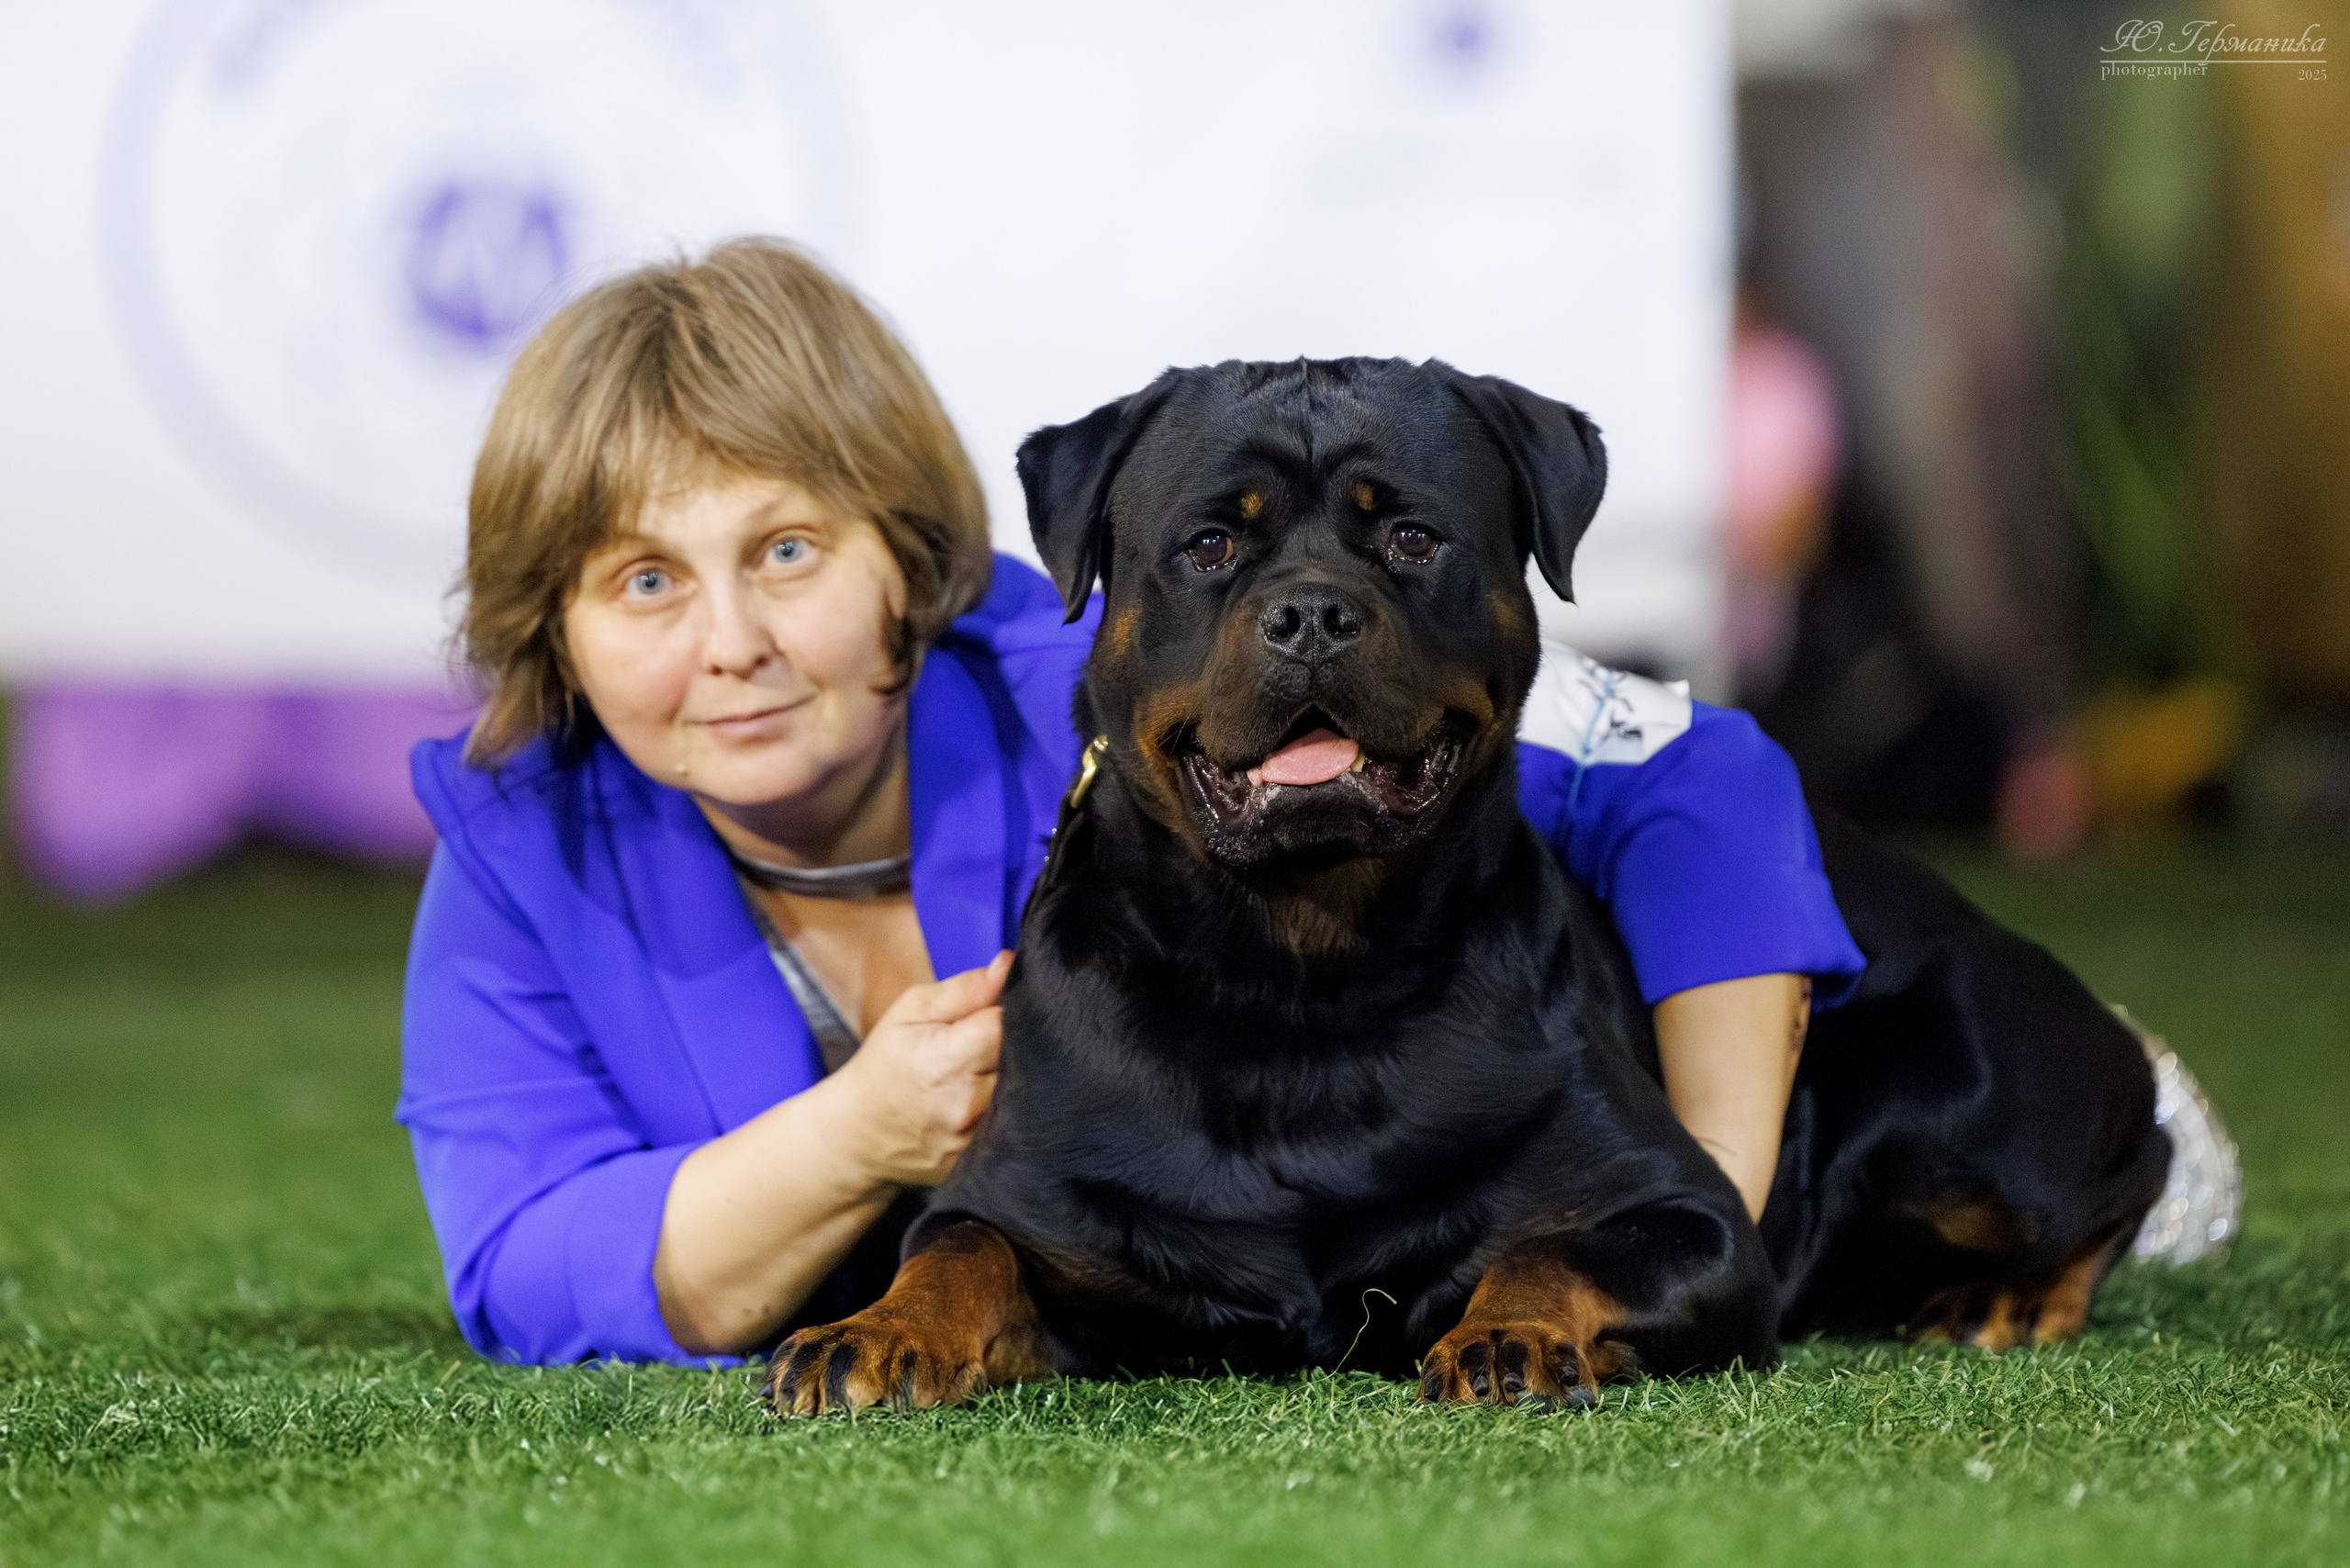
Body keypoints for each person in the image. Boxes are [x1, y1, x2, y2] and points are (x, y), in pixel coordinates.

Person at [398, 239, 1866, 1366]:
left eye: (786, 553)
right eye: (646, 582)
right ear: (560, 629)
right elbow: (518, 1270)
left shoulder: (1131, 690)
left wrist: (1695, 1211)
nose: (730, 642)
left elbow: (1698, 777)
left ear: (910, 558)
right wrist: (864, 1138)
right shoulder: (520, 855)